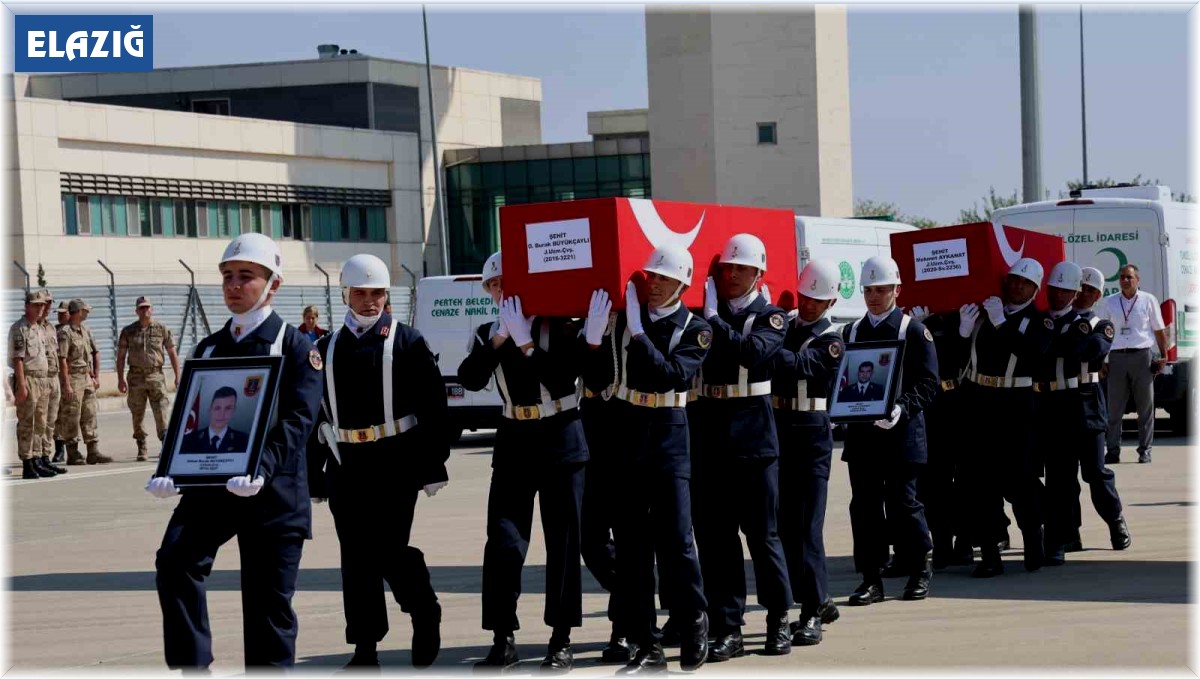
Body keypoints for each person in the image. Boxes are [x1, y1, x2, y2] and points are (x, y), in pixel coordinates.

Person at [145, 233, 323, 670]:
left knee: (267, 606)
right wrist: (171, 469)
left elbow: (301, 419)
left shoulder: (296, 347)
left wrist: (261, 467)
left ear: (272, 284)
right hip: (211, 490)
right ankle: (193, 666)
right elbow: (191, 417)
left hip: (273, 495)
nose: (234, 285)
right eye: (227, 276)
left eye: (246, 276)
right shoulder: (209, 348)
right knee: (175, 561)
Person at [308, 254, 448, 669]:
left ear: (387, 295)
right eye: (360, 293)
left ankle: (423, 608)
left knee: (388, 550)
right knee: (355, 557)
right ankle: (365, 648)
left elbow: (434, 408)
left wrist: (431, 462)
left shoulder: (406, 341)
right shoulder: (324, 347)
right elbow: (317, 415)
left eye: (377, 293)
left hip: (396, 460)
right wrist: (313, 472)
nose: (369, 301)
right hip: (346, 462)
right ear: (345, 294)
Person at [582, 245, 712, 673]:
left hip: (669, 431)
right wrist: (595, 340)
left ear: (682, 284)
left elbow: (671, 375)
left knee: (676, 538)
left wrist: (638, 333)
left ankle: (694, 619)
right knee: (634, 547)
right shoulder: (622, 323)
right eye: (651, 278)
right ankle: (645, 644)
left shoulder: (695, 328)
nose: (653, 285)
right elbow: (597, 380)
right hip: (626, 429)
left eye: (663, 279)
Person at [458, 251, 589, 672]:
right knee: (503, 541)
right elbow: (470, 378)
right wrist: (501, 338)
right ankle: (502, 637)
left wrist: (528, 343)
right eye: (494, 285)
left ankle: (561, 638)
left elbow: (562, 378)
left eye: (507, 283)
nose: (501, 291)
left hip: (561, 434)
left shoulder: (560, 324)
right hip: (514, 437)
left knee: (563, 543)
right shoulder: (486, 332)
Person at [689, 233, 793, 660]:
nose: (731, 274)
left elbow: (753, 354)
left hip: (753, 438)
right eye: (726, 268)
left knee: (763, 535)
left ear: (758, 274)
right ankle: (728, 625)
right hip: (710, 435)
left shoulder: (771, 317)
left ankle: (778, 619)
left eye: (741, 269)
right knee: (716, 539)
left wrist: (713, 320)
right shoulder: (701, 317)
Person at [839, 256, 938, 606]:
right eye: (868, 290)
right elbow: (845, 379)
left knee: (904, 505)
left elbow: (929, 383)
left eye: (881, 289)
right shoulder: (850, 332)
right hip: (863, 438)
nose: (874, 296)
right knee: (864, 508)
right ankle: (871, 579)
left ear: (897, 289)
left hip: (902, 435)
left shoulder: (912, 330)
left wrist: (901, 408)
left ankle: (919, 569)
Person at [955, 257, 1053, 576]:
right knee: (981, 482)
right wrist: (962, 332)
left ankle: (1033, 541)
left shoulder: (1039, 321)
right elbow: (961, 361)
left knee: (1021, 480)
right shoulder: (984, 316)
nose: (1016, 286)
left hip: (1016, 405)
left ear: (1035, 289)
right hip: (981, 402)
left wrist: (1001, 323)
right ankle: (989, 554)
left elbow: (1032, 354)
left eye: (1024, 283)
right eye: (1012, 280)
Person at [769, 260, 844, 645]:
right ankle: (815, 598)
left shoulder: (832, 340)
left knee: (808, 528)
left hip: (812, 434)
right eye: (804, 297)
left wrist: (768, 338)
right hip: (780, 427)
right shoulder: (787, 326)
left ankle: (812, 612)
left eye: (816, 299)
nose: (809, 305)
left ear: (830, 300)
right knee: (784, 526)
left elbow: (800, 366)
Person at [1038, 265, 1131, 562]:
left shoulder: (1101, 325)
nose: (1084, 295)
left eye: (1091, 291)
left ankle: (1115, 519)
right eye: (1083, 289)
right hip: (1056, 405)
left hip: (1086, 405)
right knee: (1060, 477)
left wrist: (1065, 331)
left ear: (1097, 295)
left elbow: (1085, 353)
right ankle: (1066, 534)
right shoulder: (1052, 321)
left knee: (1094, 472)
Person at [906, 303, 973, 571]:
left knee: (965, 479)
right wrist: (916, 330)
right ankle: (942, 545)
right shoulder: (918, 320)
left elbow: (965, 359)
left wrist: (964, 334)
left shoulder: (964, 314)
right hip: (930, 405)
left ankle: (965, 542)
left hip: (959, 402)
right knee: (934, 482)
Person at [1097, 264, 1169, 464]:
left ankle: (1145, 450)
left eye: (1129, 277)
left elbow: (1159, 330)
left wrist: (1164, 355)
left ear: (1138, 279)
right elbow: (1101, 333)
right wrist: (1102, 360)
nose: (1125, 280)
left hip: (1142, 356)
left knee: (1145, 408)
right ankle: (1112, 450)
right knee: (1114, 409)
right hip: (1117, 357)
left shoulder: (1148, 300)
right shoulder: (1109, 302)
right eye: (1122, 277)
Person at [118, 296, 181, 461]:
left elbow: (172, 353)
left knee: (161, 412)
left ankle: (165, 445)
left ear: (152, 309)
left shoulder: (161, 329)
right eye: (141, 308)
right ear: (136, 311)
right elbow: (121, 356)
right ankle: (141, 445)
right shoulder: (128, 331)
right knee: (137, 414)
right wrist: (120, 379)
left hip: (155, 376)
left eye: (147, 307)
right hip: (135, 377)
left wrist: (178, 376)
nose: (145, 310)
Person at [9, 289, 58, 479]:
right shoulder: (20, 328)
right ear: (27, 306)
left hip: (43, 379)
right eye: (36, 305)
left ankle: (37, 459)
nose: (40, 308)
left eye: (42, 305)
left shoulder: (39, 328)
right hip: (28, 378)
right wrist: (21, 385)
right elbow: (18, 359)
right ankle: (27, 463)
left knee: (41, 422)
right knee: (27, 423)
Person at [57, 299, 110, 465]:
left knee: (90, 412)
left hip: (86, 377)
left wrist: (95, 375)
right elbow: (62, 359)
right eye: (85, 310)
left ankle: (93, 451)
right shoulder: (65, 332)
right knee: (72, 414)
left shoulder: (85, 331)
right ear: (78, 311)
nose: (87, 313)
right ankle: (72, 452)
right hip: (73, 378)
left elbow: (95, 352)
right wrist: (66, 383)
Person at [39, 292, 67, 468]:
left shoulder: (50, 328)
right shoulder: (31, 327)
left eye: (50, 303)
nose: (48, 307)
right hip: (39, 378)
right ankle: (36, 457)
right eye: (45, 303)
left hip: (54, 377)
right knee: (39, 421)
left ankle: (45, 456)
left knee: (51, 420)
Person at [179, 387, 250, 453]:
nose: (221, 415)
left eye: (228, 408)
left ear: (234, 410)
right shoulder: (189, 440)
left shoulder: (244, 441)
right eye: (217, 408)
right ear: (210, 409)